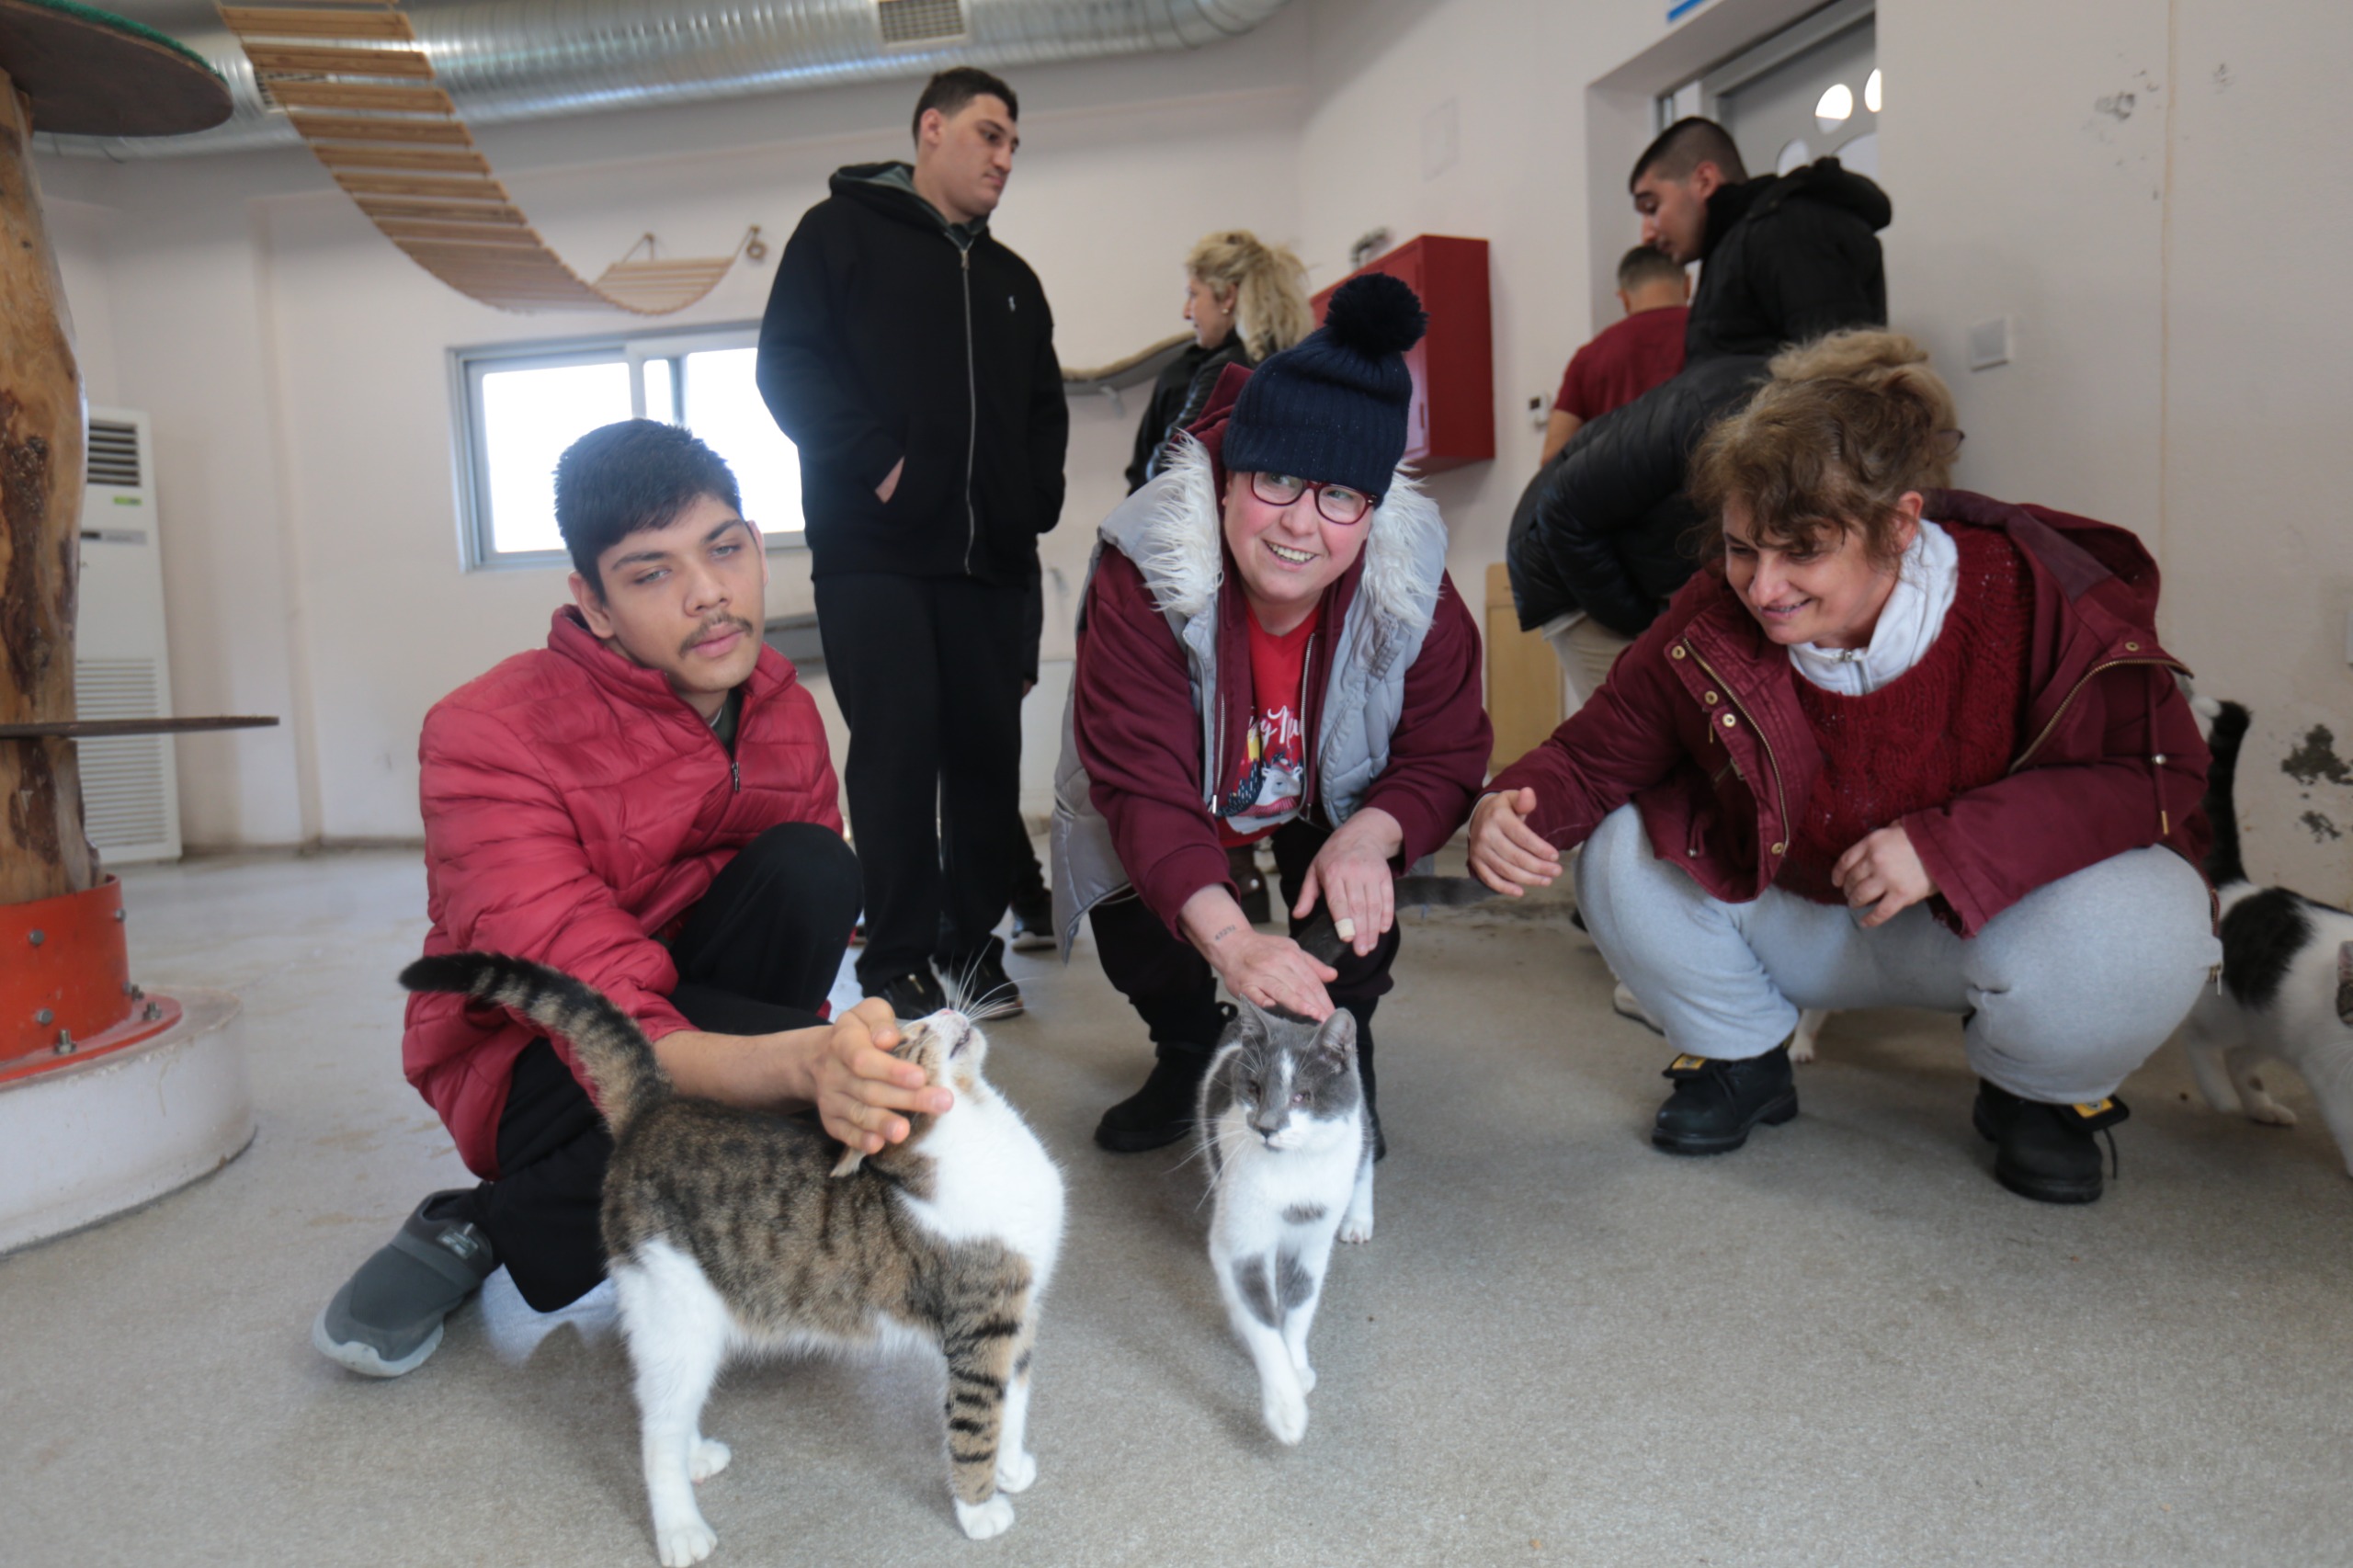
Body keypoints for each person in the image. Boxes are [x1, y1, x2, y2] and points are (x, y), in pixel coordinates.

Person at [1471, 333, 2220, 1205]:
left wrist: (1947, 848)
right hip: (1796, 913)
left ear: (1899, 525)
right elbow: (1594, 753)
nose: (1764, 586)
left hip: (1980, 919)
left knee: (2155, 913)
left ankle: (2037, 1095)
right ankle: (1741, 1058)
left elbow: (2152, 774)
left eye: (1802, 551)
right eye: (1743, 548)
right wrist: (1511, 804)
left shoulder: (2032, 593)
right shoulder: (1713, 611)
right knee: (1620, 848)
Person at [313, 422, 948, 1378]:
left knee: (816, 864)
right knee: (780, 1094)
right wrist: (806, 1070)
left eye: (725, 549)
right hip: (533, 1054)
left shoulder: (781, 701)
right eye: (651, 573)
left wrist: (815, 1060)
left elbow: (783, 966)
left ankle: (688, 1189)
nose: (708, 594)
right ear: (594, 603)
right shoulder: (486, 732)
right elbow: (596, 1009)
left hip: (690, 1008)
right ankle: (484, 1221)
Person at [1053, 274, 1492, 1155]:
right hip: (1183, 787)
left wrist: (1374, 832)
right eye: (1278, 479)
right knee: (1134, 879)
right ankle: (1187, 1046)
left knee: (1358, 864)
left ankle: (1341, 1044)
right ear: (1227, 481)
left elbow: (1445, 748)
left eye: (1339, 497)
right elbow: (1140, 782)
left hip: (1326, 788)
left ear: (1370, 514)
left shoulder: (1412, 583)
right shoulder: (1142, 570)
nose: (1300, 523)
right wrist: (1231, 945)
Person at [756, 66, 1068, 1018]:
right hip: (875, 554)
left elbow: (1041, 413)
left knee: (981, 764)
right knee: (895, 759)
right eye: (988, 134)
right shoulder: (836, 235)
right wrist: (877, 464)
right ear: (930, 130)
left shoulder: (1013, 280)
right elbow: (788, 365)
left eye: (1013, 142)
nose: (1004, 158)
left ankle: (970, 951)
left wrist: (1030, 504)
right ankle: (894, 960)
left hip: (986, 565)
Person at [1630, 116, 1890, 363]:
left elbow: (1840, 377)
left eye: (1652, 207)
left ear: (1705, 180)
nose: (1647, 234)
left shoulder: (1785, 231)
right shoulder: (1737, 246)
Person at [1128, 229, 1313, 491]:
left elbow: (1169, 469)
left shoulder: (1228, 369)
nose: (1186, 312)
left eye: (1193, 294)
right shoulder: (1298, 366)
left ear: (1227, 296)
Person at [1540, 244, 1690, 466]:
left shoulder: (1589, 357)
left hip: (1619, 494)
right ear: (1688, 284)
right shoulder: (1712, 333)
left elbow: (1553, 458)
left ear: (1624, 299)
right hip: (1704, 486)